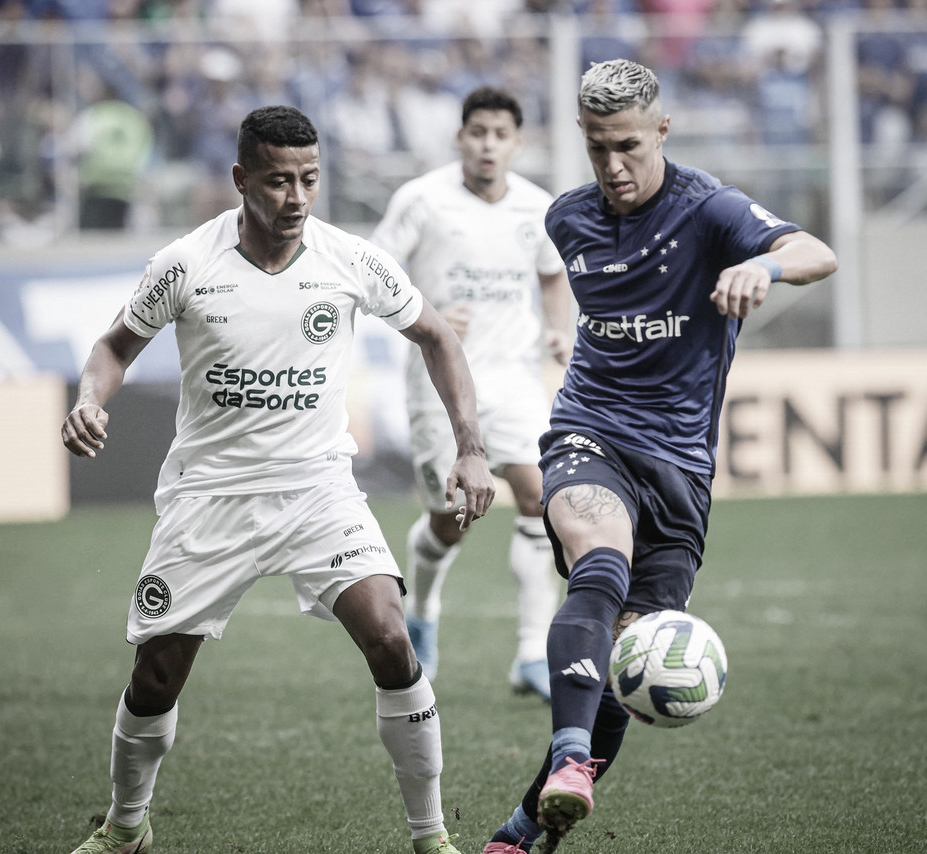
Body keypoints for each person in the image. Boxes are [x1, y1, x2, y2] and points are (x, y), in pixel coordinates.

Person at [61, 105, 493, 854]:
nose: (295, 198)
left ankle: (430, 837)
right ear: (240, 180)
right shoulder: (186, 263)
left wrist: (471, 445)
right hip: (209, 495)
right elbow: (113, 347)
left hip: (318, 489)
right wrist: (88, 399)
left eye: (309, 180)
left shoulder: (348, 259)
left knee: (391, 638)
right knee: (157, 675)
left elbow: (438, 337)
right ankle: (126, 827)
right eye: (276, 181)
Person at [480, 59, 837, 854]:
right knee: (594, 557)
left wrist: (762, 263)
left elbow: (818, 252)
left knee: (631, 652)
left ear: (663, 131)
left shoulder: (709, 209)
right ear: (581, 138)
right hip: (589, 432)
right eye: (598, 147)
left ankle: (527, 821)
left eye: (630, 147)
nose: (613, 167)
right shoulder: (567, 219)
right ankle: (571, 761)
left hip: (680, 467)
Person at [369, 86, 570, 701]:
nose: (487, 144)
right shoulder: (422, 201)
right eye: (477, 132)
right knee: (452, 521)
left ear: (517, 141)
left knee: (540, 495)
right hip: (440, 379)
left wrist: (559, 329)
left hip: (513, 378)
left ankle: (534, 653)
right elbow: (373, 272)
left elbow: (552, 272)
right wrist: (423, 314)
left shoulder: (537, 208)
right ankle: (423, 617)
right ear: (460, 137)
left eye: (500, 134)